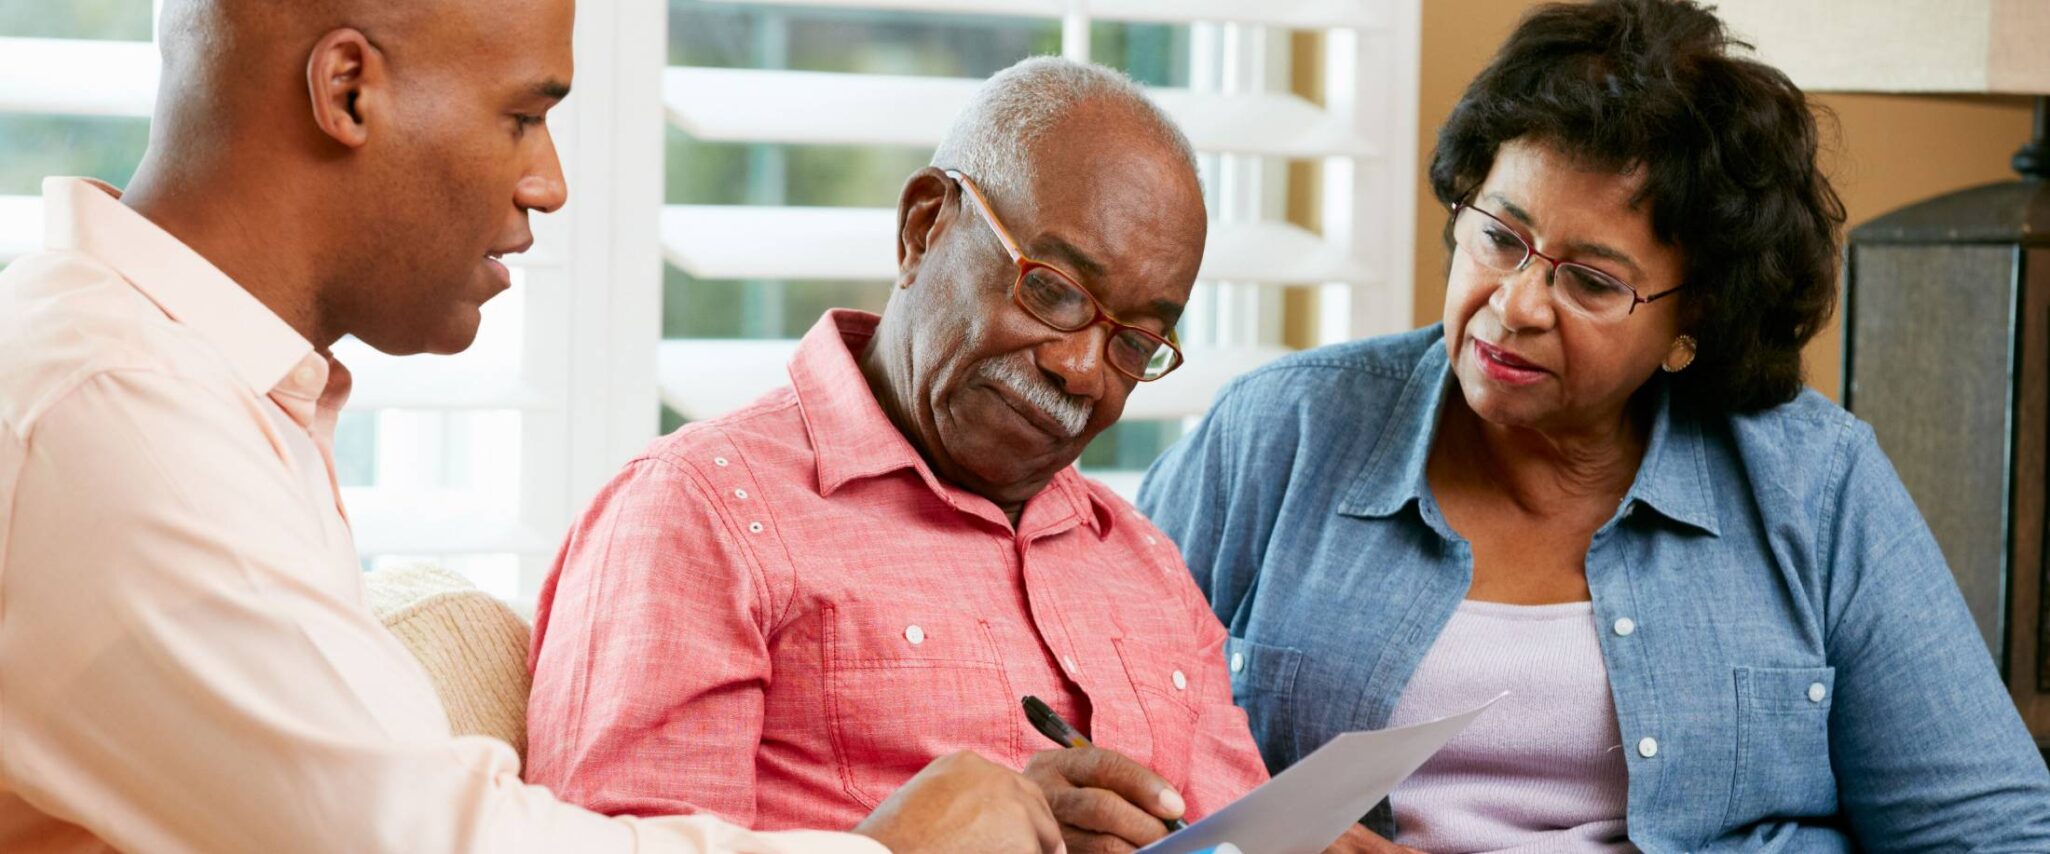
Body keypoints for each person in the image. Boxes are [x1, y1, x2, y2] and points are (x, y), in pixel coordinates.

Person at [0, 1, 1061, 852]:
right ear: (347, 89)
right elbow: (417, 838)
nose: (548, 182)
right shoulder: (110, 408)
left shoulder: (189, 381)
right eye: (521, 115)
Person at [1138, 0, 2050, 851]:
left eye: (1592, 281)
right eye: (1500, 236)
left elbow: (1991, 831)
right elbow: (1104, 735)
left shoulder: (1816, 484)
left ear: (1692, 327)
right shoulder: (1281, 433)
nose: (1517, 304)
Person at [525, 57, 1277, 854]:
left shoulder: (1147, 566)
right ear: (924, 226)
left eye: (1134, 342)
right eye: (1053, 291)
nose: (1082, 370)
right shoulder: (696, 516)